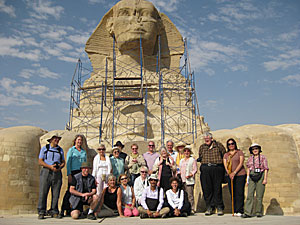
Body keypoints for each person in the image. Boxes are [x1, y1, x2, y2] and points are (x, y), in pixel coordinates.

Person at [37, 134, 65, 219]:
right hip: (46, 171)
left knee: (56, 193)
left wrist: (60, 167)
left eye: (57, 139)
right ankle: (41, 211)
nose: (57, 140)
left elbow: (63, 161)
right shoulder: (45, 148)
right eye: (55, 139)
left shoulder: (60, 150)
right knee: (43, 191)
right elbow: (40, 161)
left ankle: (54, 211)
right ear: (51, 140)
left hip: (57, 172)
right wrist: (50, 166)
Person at [198, 132, 226, 216]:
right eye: (205, 138)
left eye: (208, 137)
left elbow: (224, 155)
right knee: (207, 189)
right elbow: (200, 156)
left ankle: (219, 207)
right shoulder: (202, 147)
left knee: (217, 188)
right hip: (206, 168)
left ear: (211, 138)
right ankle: (209, 207)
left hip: (217, 168)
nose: (206, 139)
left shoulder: (218, 145)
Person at [61, 134, 87, 217]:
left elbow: (85, 163)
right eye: (78, 139)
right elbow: (68, 162)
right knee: (70, 190)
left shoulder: (83, 152)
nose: (79, 141)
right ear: (75, 141)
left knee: (80, 190)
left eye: (81, 140)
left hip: (81, 171)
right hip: (73, 172)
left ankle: (78, 209)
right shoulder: (71, 150)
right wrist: (69, 174)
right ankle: (64, 209)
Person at [242, 143, 269, 218]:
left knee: (259, 195)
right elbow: (248, 168)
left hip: (260, 174)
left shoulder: (263, 158)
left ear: (259, 149)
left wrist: (265, 179)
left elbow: (266, 168)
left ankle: (258, 212)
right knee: (250, 194)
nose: (255, 150)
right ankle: (248, 212)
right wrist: (247, 179)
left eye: (256, 149)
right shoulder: (250, 158)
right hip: (252, 175)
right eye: (253, 149)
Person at [223, 138, 246, 217]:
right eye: (229, 144)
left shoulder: (239, 152)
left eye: (232, 143)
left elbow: (241, 163)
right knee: (233, 193)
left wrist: (234, 172)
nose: (231, 145)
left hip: (240, 174)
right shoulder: (226, 155)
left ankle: (240, 210)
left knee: (239, 192)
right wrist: (229, 173)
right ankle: (235, 209)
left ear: (235, 144)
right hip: (230, 175)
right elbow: (225, 165)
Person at [179, 145, 197, 214]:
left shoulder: (192, 160)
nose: (186, 152)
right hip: (182, 180)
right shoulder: (181, 161)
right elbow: (179, 169)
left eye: (188, 151)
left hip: (189, 180)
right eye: (185, 151)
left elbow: (195, 169)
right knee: (184, 195)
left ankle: (192, 208)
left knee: (190, 195)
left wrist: (191, 174)